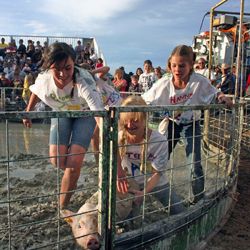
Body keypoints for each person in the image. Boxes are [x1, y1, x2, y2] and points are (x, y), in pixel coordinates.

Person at [142, 45, 232, 203]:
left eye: (182, 65)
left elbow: (215, 92)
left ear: (191, 65)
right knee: (157, 158)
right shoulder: (164, 83)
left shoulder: (199, 81)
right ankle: (145, 193)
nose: (177, 69)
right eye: (174, 65)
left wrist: (222, 98)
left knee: (194, 163)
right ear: (170, 65)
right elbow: (144, 99)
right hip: (170, 124)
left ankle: (198, 201)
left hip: (191, 124)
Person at [22, 42, 103, 208]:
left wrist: (106, 136)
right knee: (56, 160)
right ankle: (73, 171)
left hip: (85, 113)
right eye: (56, 68)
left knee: (73, 165)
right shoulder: (44, 79)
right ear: (49, 66)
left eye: (68, 68)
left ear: (74, 63)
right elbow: (36, 92)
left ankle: (63, 206)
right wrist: (28, 112)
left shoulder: (84, 80)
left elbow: (98, 114)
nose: (62, 74)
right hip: (61, 112)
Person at [118, 95, 185, 214]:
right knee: (128, 217)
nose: (129, 125)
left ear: (145, 118)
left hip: (155, 182)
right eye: (126, 120)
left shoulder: (160, 141)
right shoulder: (118, 137)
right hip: (130, 183)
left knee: (179, 211)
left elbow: (157, 174)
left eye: (135, 120)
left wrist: (143, 193)